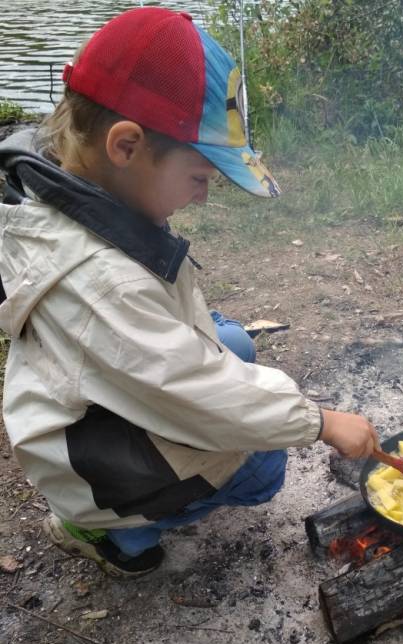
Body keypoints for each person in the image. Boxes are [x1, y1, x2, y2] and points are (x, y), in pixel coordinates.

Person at [0, 7, 378, 579]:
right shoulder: (99, 281)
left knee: (237, 350)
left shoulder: (73, 187)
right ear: (125, 146)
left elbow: (166, 351)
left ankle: (136, 503)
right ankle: (104, 529)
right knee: (263, 464)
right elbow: (198, 390)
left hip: (94, 386)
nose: (202, 198)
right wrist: (320, 422)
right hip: (83, 460)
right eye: (199, 177)